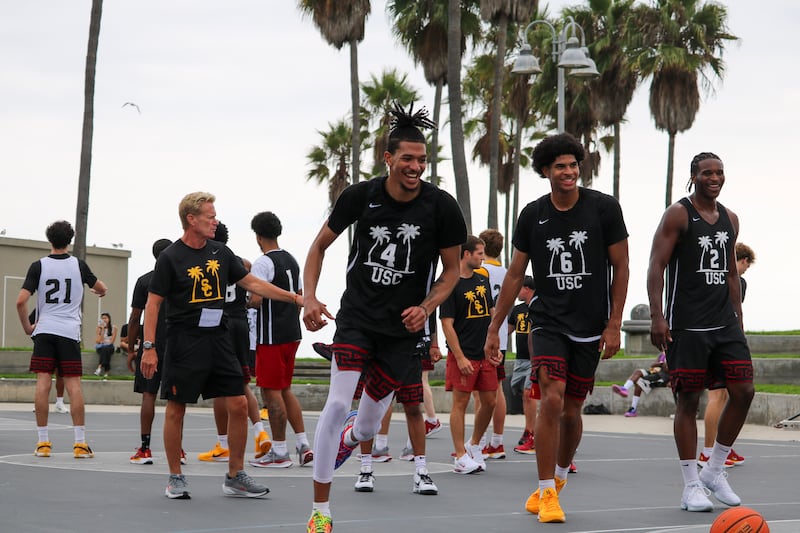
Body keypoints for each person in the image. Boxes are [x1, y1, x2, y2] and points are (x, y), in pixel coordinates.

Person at [301, 102, 467, 532]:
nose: (415, 167)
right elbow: (318, 247)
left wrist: (426, 308)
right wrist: (311, 298)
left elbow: (451, 273)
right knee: (337, 403)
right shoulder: (361, 196)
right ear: (388, 158)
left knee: (368, 426)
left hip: (401, 331)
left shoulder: (441, 207)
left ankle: (355, 436)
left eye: (422, 160)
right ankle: (321, 510)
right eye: (407, 158)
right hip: (356, 318)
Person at [484, 132, 629, 524]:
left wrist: (614, 324)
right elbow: (515, 274)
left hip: (590, 327)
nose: (568, 172)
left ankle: (559, 480)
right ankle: (546, 489)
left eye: (573, 165)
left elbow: (622, 268)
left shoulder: (603, 209)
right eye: (560, 166)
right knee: (551, 398)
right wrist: (494, 327)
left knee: (572, 410)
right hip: (547, 321)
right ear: (546, 171)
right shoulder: (533, 214)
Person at [140, 192, 302, 500]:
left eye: (215, 216)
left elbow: (253, 283)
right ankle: (175, 476)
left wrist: (294, 297)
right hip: (184, 340)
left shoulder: (221, 251)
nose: (215, 221)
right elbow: (153, 303)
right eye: (210, 217)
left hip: (219, 338)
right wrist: (149, 346)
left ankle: (235, 475)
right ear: (192, 219)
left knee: (239, 403)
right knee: (176, 408)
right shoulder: (170, 257)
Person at [647, 152, 754, 513]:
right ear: (693, 177)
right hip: (686, 325)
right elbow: (656, 266)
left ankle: (715, 469)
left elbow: (729, 273)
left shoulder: (730, 219)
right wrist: (658, 317)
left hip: (724, 323)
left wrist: (737, 314)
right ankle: (691, 484)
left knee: (744, 391)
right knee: (688, 401)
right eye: (707, 172)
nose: (715, 177)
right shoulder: (678, 214)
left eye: (720, 172)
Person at [16, 220, 108, 459]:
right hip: (69, 332)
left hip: (45, 330)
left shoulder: (38, 266)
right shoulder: (78, 265)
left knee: (42, 384)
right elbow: (102, 287)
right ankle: (79, 443)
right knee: (74, 386)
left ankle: (43, 442)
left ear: (50, 240)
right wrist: (98, 290)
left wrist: (28, 327)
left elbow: (20, 301)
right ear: (70, 240)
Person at [195, 222, 271, 464]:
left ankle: (223, 443)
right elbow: (251, 292)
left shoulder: (208, 263)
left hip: (221, 324)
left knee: (219, 386)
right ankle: (259, 432)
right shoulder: (243, 263)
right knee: (241, 383)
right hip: (241, 324)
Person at [246, 211, 313, 469]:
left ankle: (280, 451)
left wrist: (246, 300)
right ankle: (303, 443)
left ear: (258, 236)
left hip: (271, 336)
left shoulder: (262, 263)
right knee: (285, 389)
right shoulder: (292, 260)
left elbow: (257, 298)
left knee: (270, 392)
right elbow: (298, 294)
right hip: (291, 333)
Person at [441, 235, 499, 474]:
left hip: (485, 354)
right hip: (463, 355)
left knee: (490, 401)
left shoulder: (482, 280)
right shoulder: (449, 283)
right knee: (461, 404)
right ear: (466, 254)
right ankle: (460, 456)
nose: (483, 258)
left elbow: (492, 314)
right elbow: (446, 324)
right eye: (479, 253)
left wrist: (495, 347)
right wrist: (460, 357)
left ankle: (474, 444)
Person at [699, 242, 756, 467]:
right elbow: (732, 311)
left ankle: (722, 447)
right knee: (718, 397)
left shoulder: (710, 278)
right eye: (746, 266)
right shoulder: (737, 282)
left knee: (723, 398)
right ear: (743, 261)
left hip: (706, 337)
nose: (744, 270)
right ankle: (707, 452)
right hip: (721, 340)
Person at [127, 238, 180, 465]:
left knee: (149, 395)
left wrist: (131, 348)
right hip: (177, 345)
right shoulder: (181, 279)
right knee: (176, 400)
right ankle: (178, 450)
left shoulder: (144, 281)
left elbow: (134, 318)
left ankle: (145, 448)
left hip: (151, 344)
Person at [474, 229, 508, 460]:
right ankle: (497, 441)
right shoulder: (507, 272)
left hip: (484, 334)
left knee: (482, 393)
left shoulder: (480, 271)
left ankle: (481, 442)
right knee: (498, 388)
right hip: (502, 334)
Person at [509, 276, 537, 454]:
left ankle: (531, 432)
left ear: (526, 288)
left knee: (529, 394)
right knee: (520, 391)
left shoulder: (539, 306)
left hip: (534, 359)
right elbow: (508, 330)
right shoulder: (517, 310)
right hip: (520, 359)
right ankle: (531, 428)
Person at [611, 352, 670, 417]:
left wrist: (664, 365)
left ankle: (633, 409)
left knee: (639, 382)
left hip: (661, 377)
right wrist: (661, 364)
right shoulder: (662, 354)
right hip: (653, 373)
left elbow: (668, 369)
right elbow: (652, 365)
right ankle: (625, 388)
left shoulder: (673, 353)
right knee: (638, 371)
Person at [93, 312, 117, 377]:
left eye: (105, 318)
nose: (104, 320)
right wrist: (103, 330)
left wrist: (105, 343)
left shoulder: (114, 328)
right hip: (101, 347)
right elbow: (98, 341)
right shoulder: (99, 328)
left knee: (106, 349)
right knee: (105, 350)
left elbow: (112, 341)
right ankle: (106, 372)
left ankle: (99, 368)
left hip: (109, 346)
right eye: (102, 318)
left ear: (109, 319)